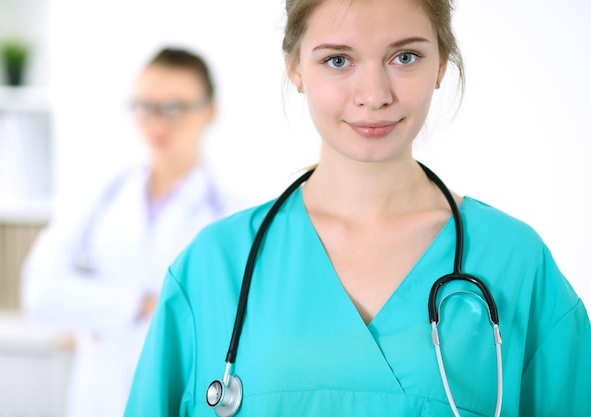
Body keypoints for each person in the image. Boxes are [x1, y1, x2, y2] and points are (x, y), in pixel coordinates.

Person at [124, 1, 591, 416]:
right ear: (295, 68)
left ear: (442, 62)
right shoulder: (214, 264)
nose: (374, 94)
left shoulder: (514, 261)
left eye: (404, 57)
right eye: (338, 60)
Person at [21, 47, 245, 417]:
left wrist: (94, 306)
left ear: (209, 111)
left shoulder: (232, 214)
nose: (157, 121)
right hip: (98, 398)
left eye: (174, 107)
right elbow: (40, 291)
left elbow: (227, 321)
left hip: (182, 398)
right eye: (145, 105)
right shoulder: (100, 196)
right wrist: (143, 303)